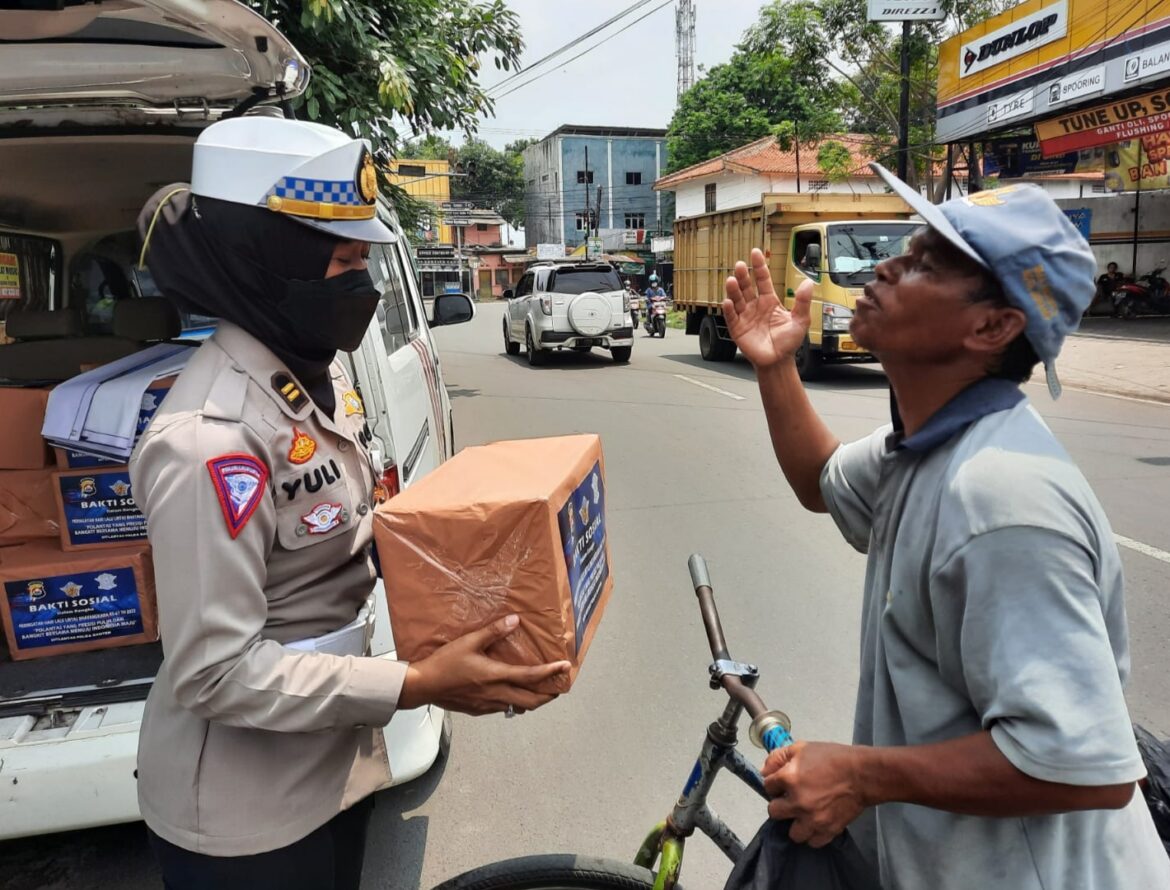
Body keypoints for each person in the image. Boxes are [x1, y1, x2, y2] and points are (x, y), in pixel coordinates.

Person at [131, 117, 569, 890]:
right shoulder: (210, 440)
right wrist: (418, 685)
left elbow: (342, 532)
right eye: (342, 259)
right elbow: (212, 673)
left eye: (365, 257)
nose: (360, 283)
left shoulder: (310, 381)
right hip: (247, 820)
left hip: (331, 768)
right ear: (266, 259)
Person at [722, 164, 1170, 889]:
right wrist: (777, 367)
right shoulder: (924, 445)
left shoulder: (1002, 499)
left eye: (927, 261)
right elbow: (824, 483)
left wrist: (862, 775)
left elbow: (1087, 768)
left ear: (993, 326)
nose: (889, 265)